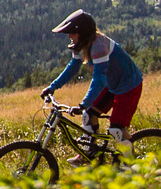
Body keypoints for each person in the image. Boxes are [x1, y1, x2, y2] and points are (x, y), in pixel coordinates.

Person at [42, 9, 145, 164]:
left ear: (82, 33)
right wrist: (52, 87)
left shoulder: (99, 47)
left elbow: (99, 78)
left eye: (72, 33)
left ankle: (132, 165)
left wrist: (84, 103)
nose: (69, 36)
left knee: (117, 130)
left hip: (128, 86)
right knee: (88, 116)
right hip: (112, 85)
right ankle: (90, 153)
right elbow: (73, 67)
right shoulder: (80, 45)